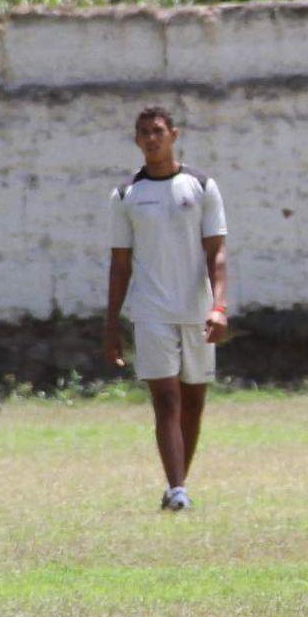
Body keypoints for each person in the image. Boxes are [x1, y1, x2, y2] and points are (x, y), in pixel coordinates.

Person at [104, 107, 228, 512]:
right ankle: (177, 489)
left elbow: (217, 253)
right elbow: (119, 265)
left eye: (158, 131)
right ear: (136, 140)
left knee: (194, 401)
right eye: (143, 133)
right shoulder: (126, 196)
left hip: (197, 311)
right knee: (167, 400)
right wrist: (111, 324)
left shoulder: (202, 186)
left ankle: (179, 483)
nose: (151, 139)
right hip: (150, 312)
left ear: (174, 135)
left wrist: (220, 306)